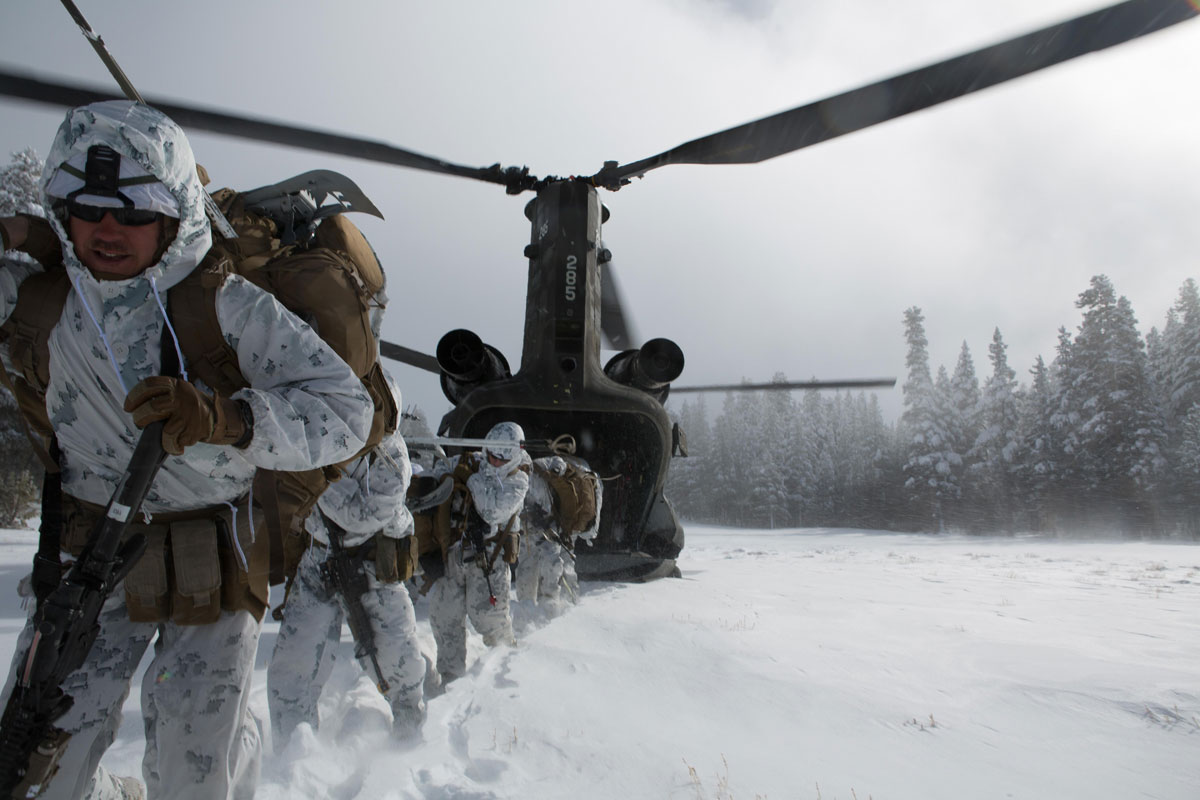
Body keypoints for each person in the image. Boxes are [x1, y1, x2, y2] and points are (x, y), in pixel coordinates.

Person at [0, 101, 373, 800]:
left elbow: (347, 415)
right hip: (86, 564)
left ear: (173, 215)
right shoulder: (42, 299)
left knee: (192, 775)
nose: (108, 230)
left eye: (135, 212)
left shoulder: (225, 306)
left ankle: (239, 752)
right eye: (86, 207)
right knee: (37, 768)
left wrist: (226, 419)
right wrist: (21, 235)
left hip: (213, 562)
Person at [267, 380, 428, 748]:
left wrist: (317, 480)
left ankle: (407, 744)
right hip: (319, 561)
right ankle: (292, 755)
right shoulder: (322, 436)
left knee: (397, 665)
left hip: (372, 568)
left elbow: (360, 515)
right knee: (293, 668)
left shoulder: (393, 459)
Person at [427, 422, 530, 685]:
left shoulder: (518, 480)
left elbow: (491, 511)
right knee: (445, 617)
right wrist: (452, 473)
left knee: (489, 619)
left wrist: (470, 478)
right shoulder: (472, 461)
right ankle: (451, 678)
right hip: (454, 554)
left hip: (489, 560)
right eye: (490, 455)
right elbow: (439, 472)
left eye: (500, 458)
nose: (494, 461)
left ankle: (507, 675)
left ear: (513, 456)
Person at [516, 455, 602, 618]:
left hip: (551, 530)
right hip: (543, 531)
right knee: (541, 571)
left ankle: (554, 614)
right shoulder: (518, 478)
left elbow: (557, 465)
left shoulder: (536, 469)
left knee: (550, 570)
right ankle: (536, 613)